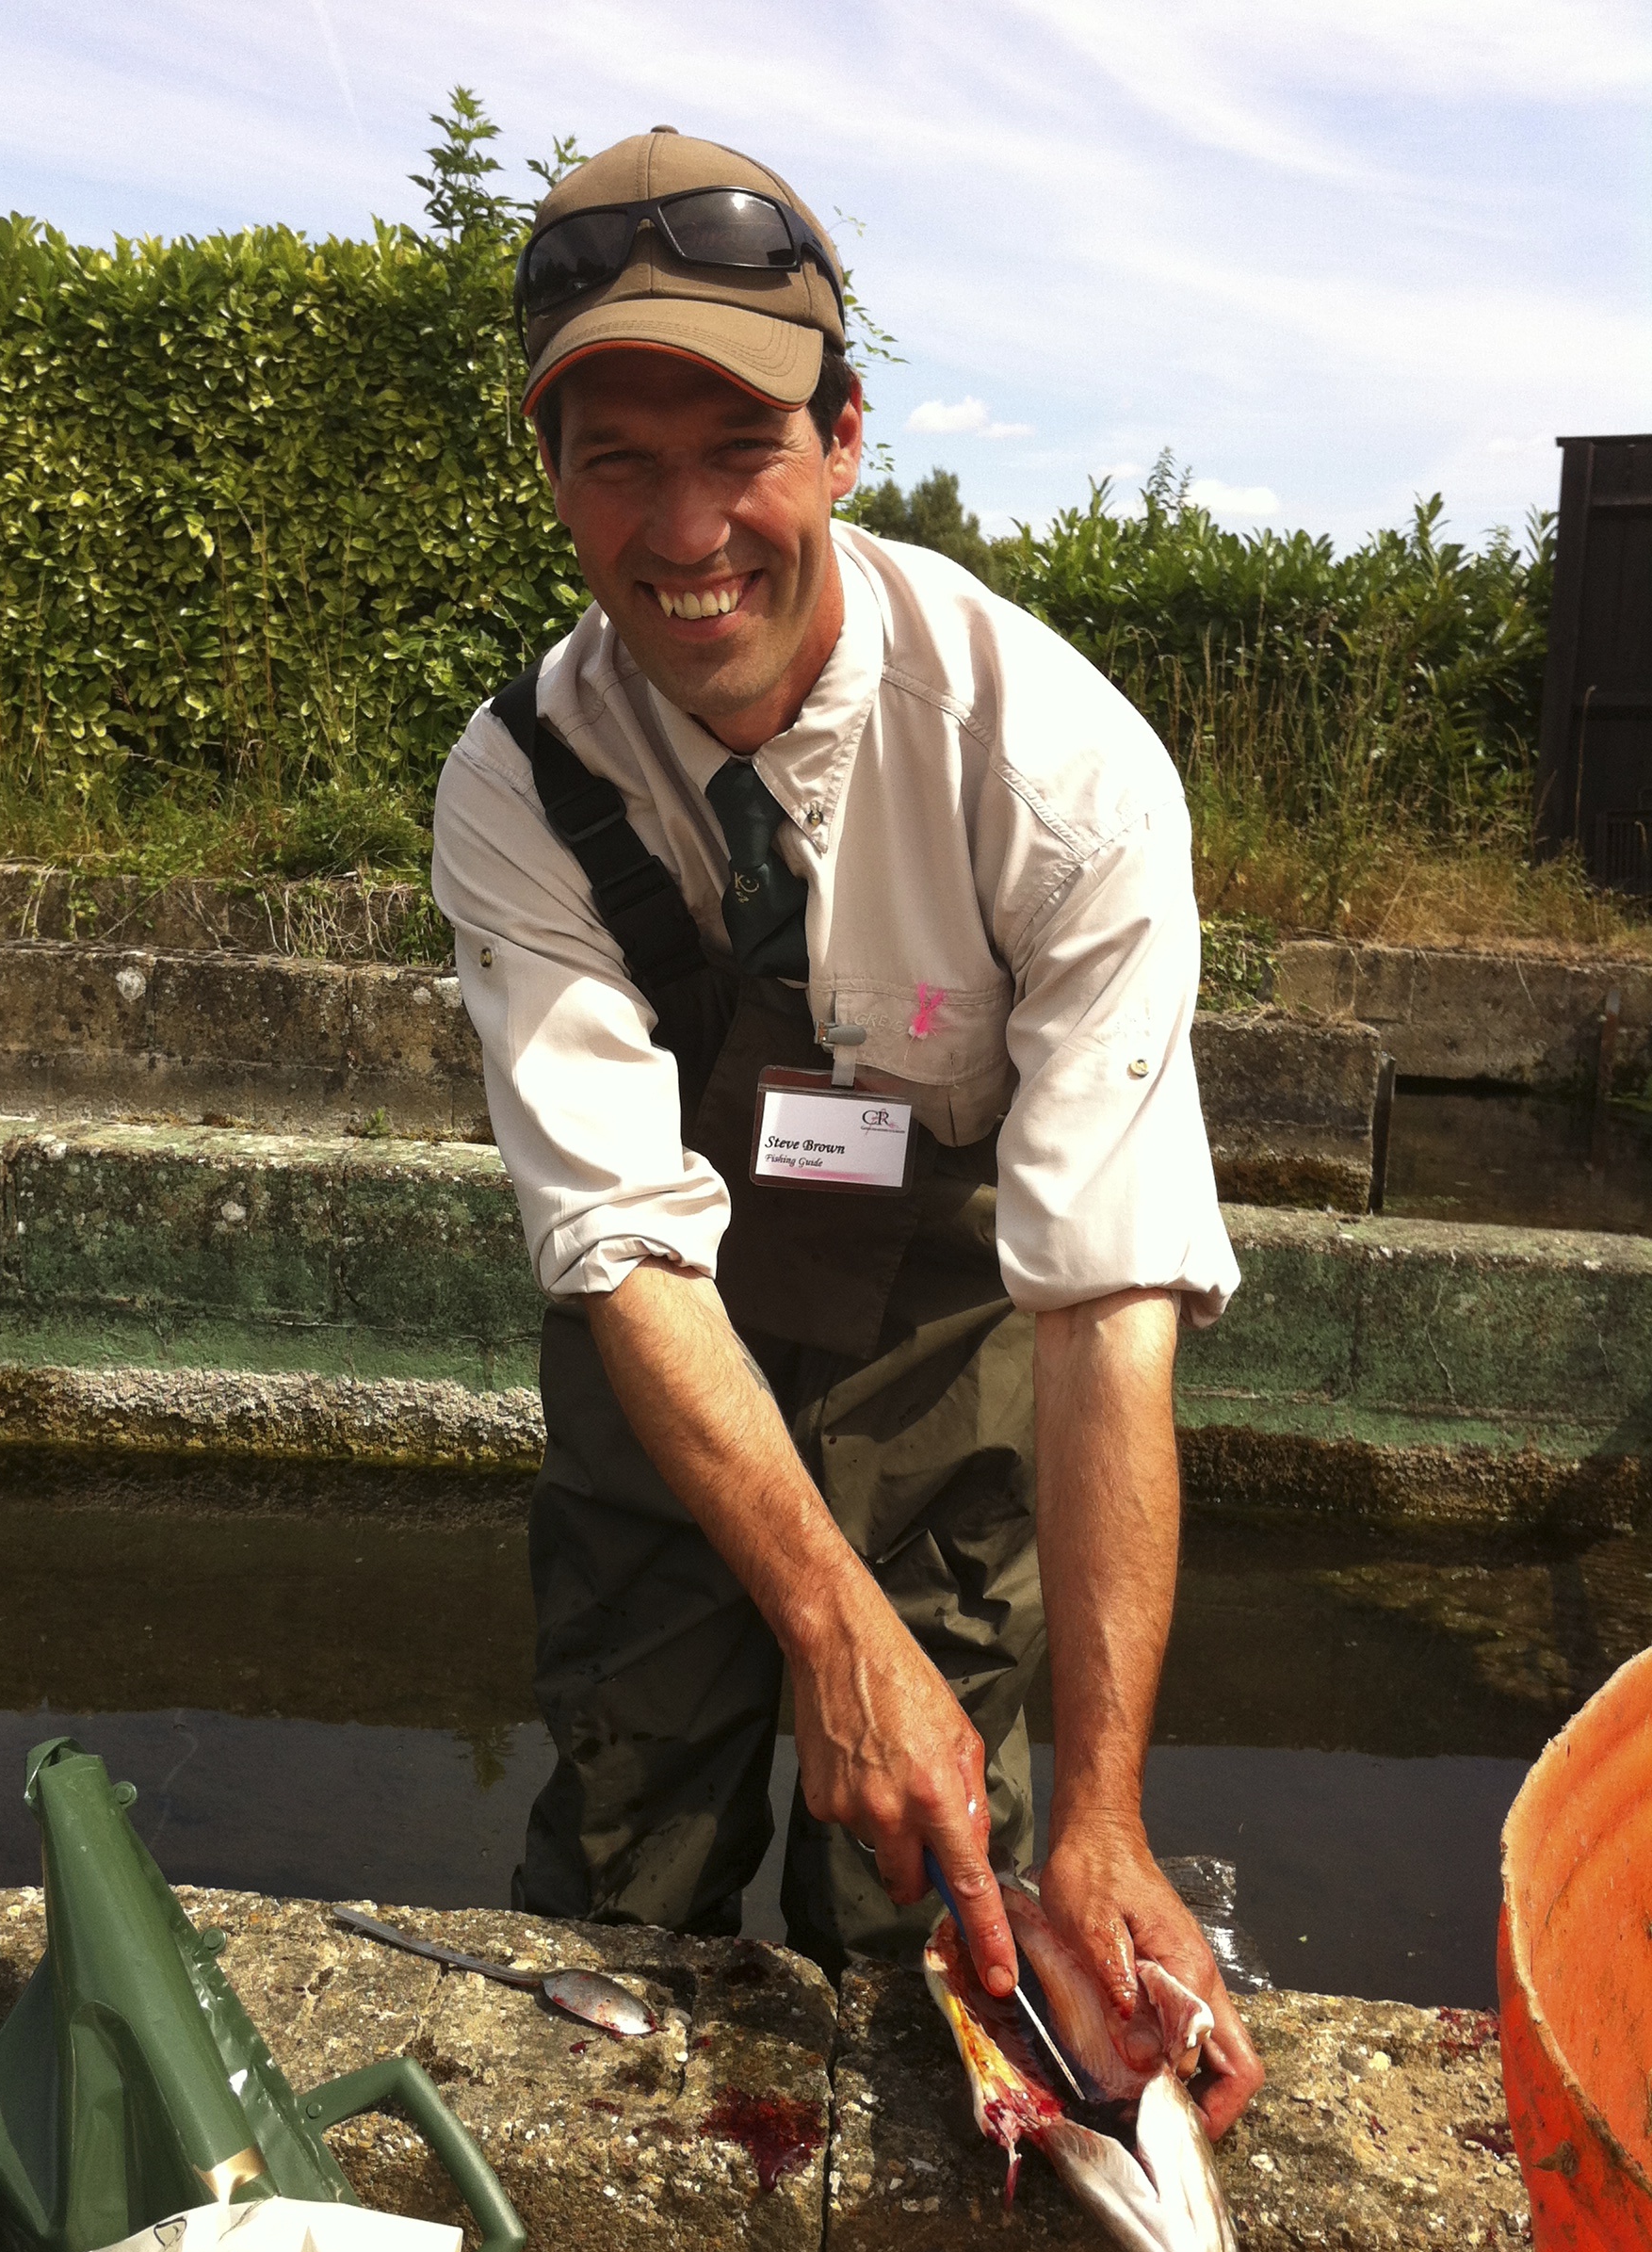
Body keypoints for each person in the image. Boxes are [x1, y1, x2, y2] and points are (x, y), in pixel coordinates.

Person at [432, 126, 1263, 2135]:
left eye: (741, 445)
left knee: (930, 1861)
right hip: (675, 1321)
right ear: (549, 474)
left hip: (949, 1328)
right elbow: (623, 1237)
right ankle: (581, 2137)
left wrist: (1106, 1813)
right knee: (626, 1800)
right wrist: (823, 1624)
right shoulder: (517, 783)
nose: (684, 528)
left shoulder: (1053, 771)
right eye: (616, 458)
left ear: (845, 439)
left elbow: (1104, 1300)